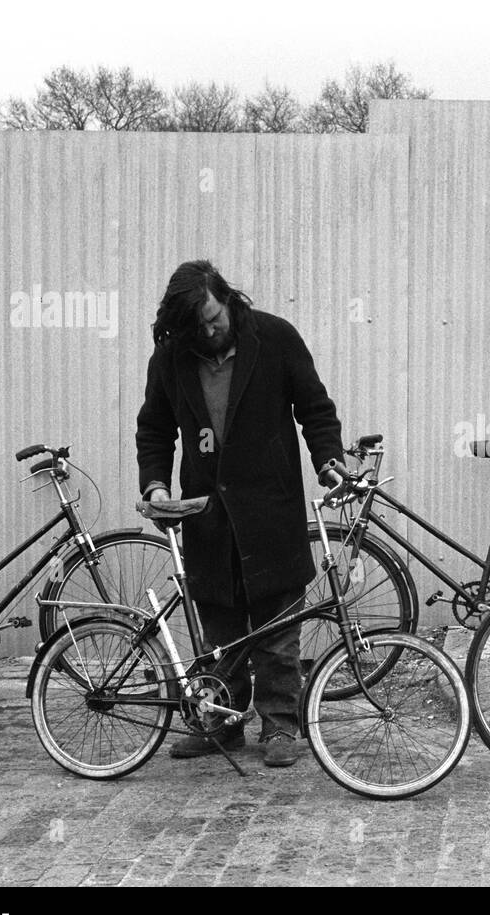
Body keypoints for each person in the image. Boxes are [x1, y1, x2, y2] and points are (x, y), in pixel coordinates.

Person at [136, 260, 344, 767]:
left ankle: (279, 728)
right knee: (222, 630)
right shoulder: (170, 357)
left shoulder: (274, 338)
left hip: (270, 508)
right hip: (208, 513)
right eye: (198, 326)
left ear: (227, 298)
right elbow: (155, 429)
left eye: (214, 317)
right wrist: (157, 484)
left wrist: (328, 460)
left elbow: (314, 407)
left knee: (276, 630)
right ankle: (222, 724)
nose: (210, 330)